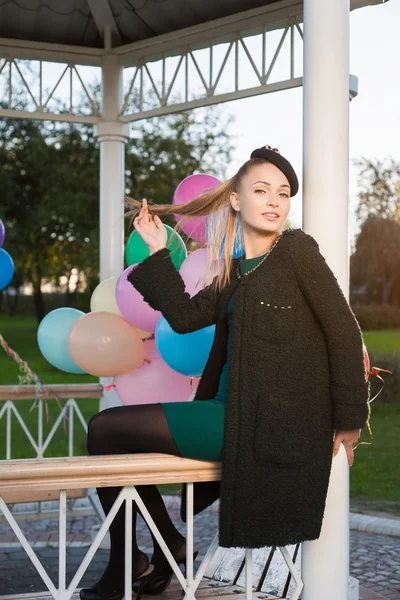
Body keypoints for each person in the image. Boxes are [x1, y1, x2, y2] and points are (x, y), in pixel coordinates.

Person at [80, 145, 370, 600]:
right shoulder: (237, 271)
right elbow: (184, 317)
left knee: (106, 430)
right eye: (261, 190)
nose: (274, 201)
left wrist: (350, 417)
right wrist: (159, 252)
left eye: (283, 193)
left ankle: (142, 557)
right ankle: (154, 549)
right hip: (224, 409)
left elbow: (343, 330)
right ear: (236, 200)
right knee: (110, 435)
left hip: (255, 423)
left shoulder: (296, 250)